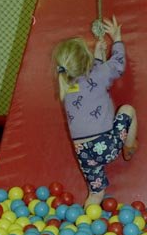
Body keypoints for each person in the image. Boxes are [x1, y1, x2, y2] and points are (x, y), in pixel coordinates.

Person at [53, 15, 138, 207]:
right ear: (87, 60)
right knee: (128, 109)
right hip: (107, 145)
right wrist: (117, 39)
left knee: (96, 193)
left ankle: (85, 221)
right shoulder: (98, 75)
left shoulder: (67, 85)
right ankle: (129, 146)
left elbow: (90, 80)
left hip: (83, 152)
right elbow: (118, 65)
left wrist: (98, 55)